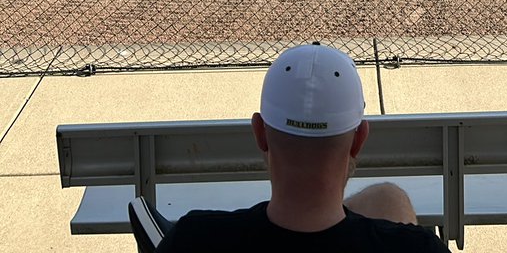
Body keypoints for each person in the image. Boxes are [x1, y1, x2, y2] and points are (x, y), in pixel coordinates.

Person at [156, 43, 446, 251]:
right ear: (359, 140)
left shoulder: (193, 238)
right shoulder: (416, 247)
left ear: (260, 133)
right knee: (389, 198)